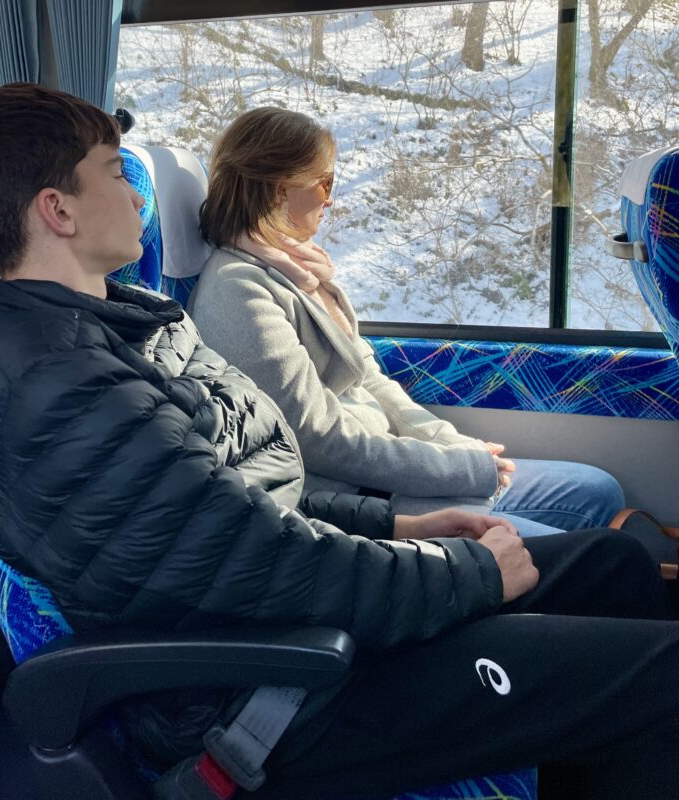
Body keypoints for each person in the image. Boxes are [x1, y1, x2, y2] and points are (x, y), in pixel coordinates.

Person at [0, 84, 679, 800]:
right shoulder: (60, 386)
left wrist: (400, 524)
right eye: (117, 172)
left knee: (611, 561)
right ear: (59, 210)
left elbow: (246, 492)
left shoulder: (132, 319)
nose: (136, 195)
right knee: (659, 678)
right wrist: (468, 578)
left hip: (305, 615)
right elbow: (253, 554)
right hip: (270, 695)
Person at [188, 107, 625, 538]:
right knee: (603, 556)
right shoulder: (238, 290)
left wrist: (451, 444)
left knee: (598, 490)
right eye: (326, 182)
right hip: (362, 495)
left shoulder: (297, 271)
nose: (330, 198)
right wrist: (458, 469)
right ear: (281, 190)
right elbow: (316, 439)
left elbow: (371, 383)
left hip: (391, 466)